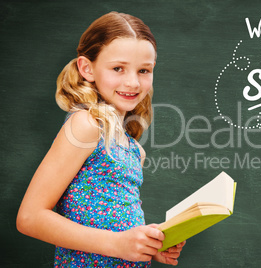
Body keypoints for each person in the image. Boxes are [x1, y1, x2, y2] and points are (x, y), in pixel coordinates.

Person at [16, 11, 185, 267]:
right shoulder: (85, 126)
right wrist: (119, 244)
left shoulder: (134, 149)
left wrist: (146, 245)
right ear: (87, 68)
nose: (132, 82)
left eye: (144, 70)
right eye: (118, 68)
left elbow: (117, 226)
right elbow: (29, 217)